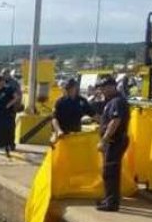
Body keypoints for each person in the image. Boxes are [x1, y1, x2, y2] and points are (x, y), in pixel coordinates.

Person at [96, 76, 130, 212]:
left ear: (111, 86)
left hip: (115, 141)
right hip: (113, 141)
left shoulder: (117, 102)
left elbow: (115, 122)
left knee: (111, 172)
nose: (102, 91)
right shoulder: (111, 101)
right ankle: (108, 198)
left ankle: (111, 203)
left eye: (104, 88)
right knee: (108, 171)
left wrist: (104, 139)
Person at [51, 78, 94, 145]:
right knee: (53, 144)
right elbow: (54, 118)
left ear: (75, 88)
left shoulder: (82, 101)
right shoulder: (60, 101)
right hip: (61, 134)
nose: (69, 90)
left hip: (75, 134)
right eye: (67, 88)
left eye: (71, 87)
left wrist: (103, 124)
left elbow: (93, 114)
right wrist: (58, 130)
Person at [0, 75, 17, 156]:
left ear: (3, 82)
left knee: (6, 131)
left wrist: (9, 104)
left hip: (6, 114)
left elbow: (16, 97)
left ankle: (7, 149)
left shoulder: (8, 90)